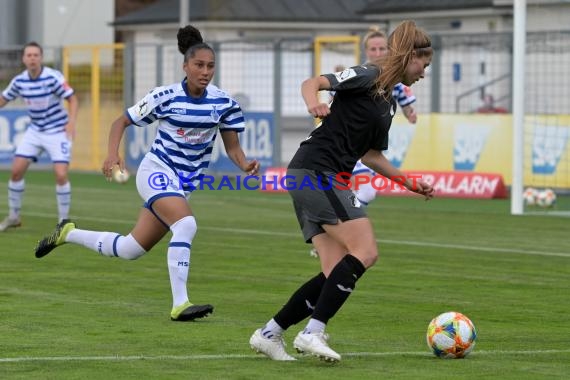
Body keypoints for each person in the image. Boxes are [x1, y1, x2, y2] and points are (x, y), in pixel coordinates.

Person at [33, 25, 260, 322]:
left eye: (210, 66)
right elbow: (120, 122)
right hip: (156, 172)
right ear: (185, 66)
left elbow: (233, 148)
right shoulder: (164, 96)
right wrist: (113, 154)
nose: (205, 71)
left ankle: (68, 233)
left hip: (183, 184)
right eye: (199, 65)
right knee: (187, 225)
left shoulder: (225, 103)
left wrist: (244, 164)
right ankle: (180, 304)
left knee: (130, 249)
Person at [249, 20, 434, 362]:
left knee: (333, 269)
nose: (424, 72)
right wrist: (313, 103)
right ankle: (313, 332)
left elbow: (371, 155)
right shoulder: (368, 75)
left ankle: (270, 334)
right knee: (365, 250)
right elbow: (314, 82)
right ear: (409, 56)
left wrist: (409, 182)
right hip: (319, 171)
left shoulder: (387, 99)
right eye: (424, 64)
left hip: (313, 173)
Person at [0, 41, 78, 231]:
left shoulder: (53, 77)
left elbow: (72, 98)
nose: (32, 58)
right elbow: (4, 98)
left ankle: (63, 222)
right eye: (29, 55)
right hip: (35, 131)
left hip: (58, 131)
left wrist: (71, 121)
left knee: (61, 174)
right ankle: (14, 216)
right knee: (16, 171)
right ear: (23, 59)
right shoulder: (19, 81)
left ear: (41, 58)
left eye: (36, 55)